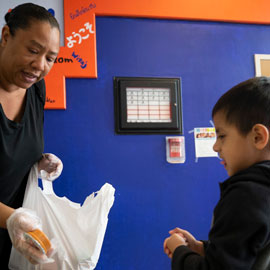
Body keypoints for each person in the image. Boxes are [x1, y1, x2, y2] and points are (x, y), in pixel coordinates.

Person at [163, 76, 270, 270]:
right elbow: (245, 256)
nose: (215, 146)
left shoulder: (245, 195)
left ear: (257, 137)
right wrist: (200, 248)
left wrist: (178, 250)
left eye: (222, 136)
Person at [0, 3, 63, 268]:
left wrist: (39, 163)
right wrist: (10, 218)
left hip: (13, 244)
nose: (39, 65)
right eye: (33, 50)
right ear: (5, 37)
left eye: (50, 58)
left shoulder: (36, 91)